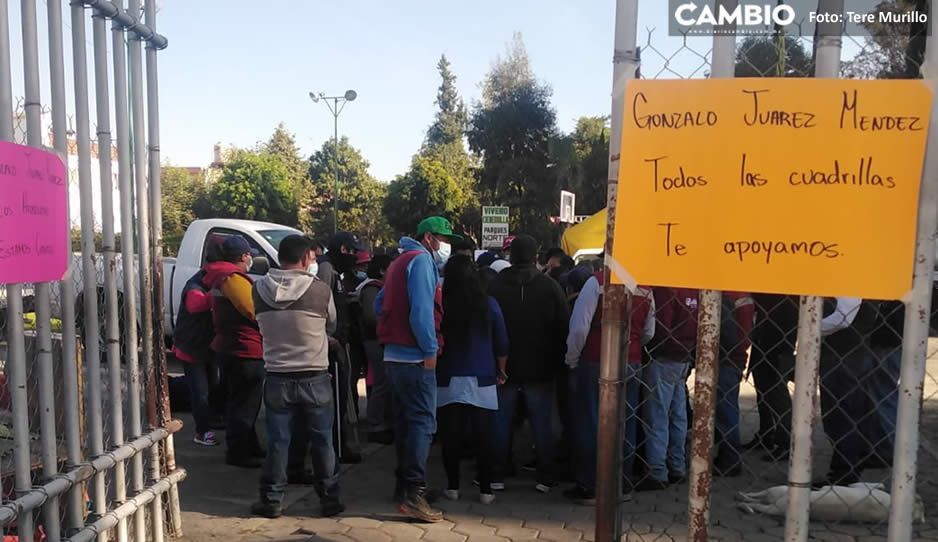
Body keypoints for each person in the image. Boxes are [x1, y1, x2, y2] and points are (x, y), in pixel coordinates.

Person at [251, 235, 345, 519]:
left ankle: (272, 501)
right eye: (313, 258)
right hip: (314, 376)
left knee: (278, 441)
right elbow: (331, 324)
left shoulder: (258, 289)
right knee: (322, 440)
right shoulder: (320, 291)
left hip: (277, 375)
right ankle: (329, 499)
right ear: (305, 258)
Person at [375, 216, 458, 523]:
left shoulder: (399, 261)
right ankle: (414, 493)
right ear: (428, 238)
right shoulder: (422, 262)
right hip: (415, 357)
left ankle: (405, 488)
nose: (445, 245)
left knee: (405, 424)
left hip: (394, 358)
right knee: (423, 423)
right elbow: (422, 313)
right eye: (442, 238)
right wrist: (430, 350)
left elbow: (379, 304)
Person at [563, 269, 655, 504]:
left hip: (597, 360)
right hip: (631, 361)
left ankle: (590, 486)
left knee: (591, 422)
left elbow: (579, 328)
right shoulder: (644, 287)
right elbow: (649, 332)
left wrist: (572, 359)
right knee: (626, 422)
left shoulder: (596, 283)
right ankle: (621, 484)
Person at [488, 235, 570, 494]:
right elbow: (563, 327)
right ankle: (545, 477)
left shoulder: (496, 286)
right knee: (542, 424)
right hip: (541, 368)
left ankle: (496, 475)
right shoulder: (550, 287)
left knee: (500, 422)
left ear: (511, 256)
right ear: (536, 256)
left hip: (504, 367)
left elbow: (486, 324)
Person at [437, 255, 509, 505]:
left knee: (451, 436)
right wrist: (501, 370)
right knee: (484, 437)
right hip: (482, 376)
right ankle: (486, 490)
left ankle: (453, 487)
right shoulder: (489, 304)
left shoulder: (442, 304)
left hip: (447, 376)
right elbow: (501, 343)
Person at [204, 236, 265, 468]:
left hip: (232, 346)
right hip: (243, 348)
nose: (251, 258)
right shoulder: (232, 279)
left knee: (241, 401)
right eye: (249, 254)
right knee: (245, 404)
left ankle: (249, 446)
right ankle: (240, 452)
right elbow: (253, 310)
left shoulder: (222, 277)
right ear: (243, 257)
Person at [638, 287, 699, 491]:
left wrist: (649, 350)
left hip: (663, 357)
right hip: (683, 356)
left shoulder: (666, 290)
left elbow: (660, 327)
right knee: (677, 415)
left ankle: (657, 471)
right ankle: (677, 466)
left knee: (657, 415)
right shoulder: (694, 290)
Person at [817, 297, 879, 486]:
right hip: (847, 354)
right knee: (844, 415)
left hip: (845, 356)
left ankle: (844, 473)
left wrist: (810, 326)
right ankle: (844, 470)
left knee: (842, 416)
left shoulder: (853, 282)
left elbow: (842, 318)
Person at [173, 250, 221, 447]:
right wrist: (216, 295)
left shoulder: (210, 282)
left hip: (207, 346)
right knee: (200, 391)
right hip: (191, 349)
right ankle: (202, 431)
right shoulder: (195, 285)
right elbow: (195, 305)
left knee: (212, 386)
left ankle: (211, 420)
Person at [746, 294, 798, 460]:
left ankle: (786, 442)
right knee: (764, 393)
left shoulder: (789, 296)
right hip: (764, 344)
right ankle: (767, 434)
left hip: (778, 350)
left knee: (777, 396)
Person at [713, 292, 755, 477]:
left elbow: (741, 337)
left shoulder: (732, 295)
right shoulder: (739, 295)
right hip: (730, 358)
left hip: (727, 360)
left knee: (726, 411)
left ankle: (729, 459)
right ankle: (726, 456)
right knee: (724, 408)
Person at [357, 254, 393, 444]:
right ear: (381, 270)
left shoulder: (376, 288)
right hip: (375, 341)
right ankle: (376, 424)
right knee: (381, 383)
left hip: (378, 340)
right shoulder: (372, 288)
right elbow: (371, 318)